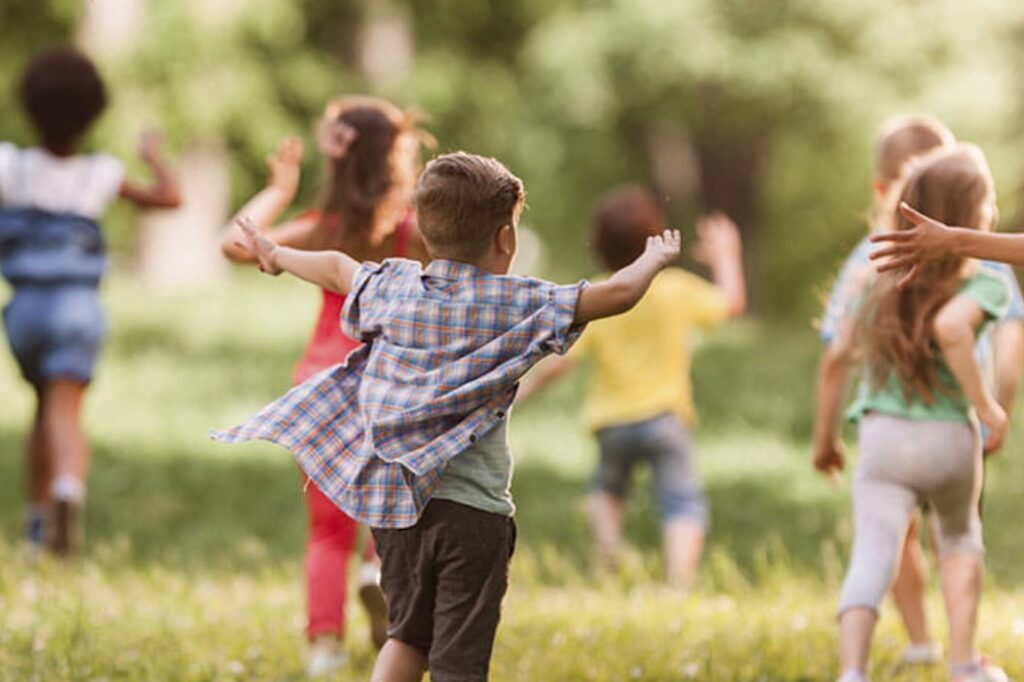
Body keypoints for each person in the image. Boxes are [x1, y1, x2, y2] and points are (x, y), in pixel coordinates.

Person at [214, 151, 682, 682]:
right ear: (506, 239)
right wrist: (653, 259)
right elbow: (616, 294)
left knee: (407, 637)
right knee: (458, 656)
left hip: (396, 512)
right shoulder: (515, 301)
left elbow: (336, 268)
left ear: (427, 229)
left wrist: (276, 253)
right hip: (471, 517)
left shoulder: (394, 286)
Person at [219, 96, 429, 677]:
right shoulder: (413, 232)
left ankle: (324, 647)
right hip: (391, 384)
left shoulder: (321, 230)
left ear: (338, 161)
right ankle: (376, 572)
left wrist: (279, 190)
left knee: (326, 529)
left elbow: (235, 244)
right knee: (393, 509)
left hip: (321, 382)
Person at [814, 115, 1024, 667]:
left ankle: (855, 669)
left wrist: (824, 438)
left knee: (876, 550)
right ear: (980, 213)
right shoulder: (985, 275)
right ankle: (962, 664)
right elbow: (969, 333)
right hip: (952, 436)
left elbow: (836, 357)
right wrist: (990, 405)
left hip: (883, 437)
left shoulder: (871, 267)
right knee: (958, 542)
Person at [517, 185, 746, 588]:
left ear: (600, 245)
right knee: (681, 502)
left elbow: (563, 362)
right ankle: (678, 581)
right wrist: (728, 255)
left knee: (607, 490)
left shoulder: (602, 294)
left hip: (612, 421)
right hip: (664, 417)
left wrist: (524, 390)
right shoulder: (674, 288)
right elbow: (731, 303)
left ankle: (609, 553)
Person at [0, 47, 180, 556]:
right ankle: (67, 489)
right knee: (65, 411)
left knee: (42, 409)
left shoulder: (11, 168)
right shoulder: (99, 174)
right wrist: (154, 159)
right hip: (77, 309)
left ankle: (38, 525)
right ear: (92, 113)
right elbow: (170, 199)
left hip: (25, 310)